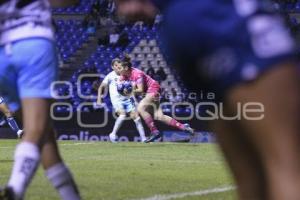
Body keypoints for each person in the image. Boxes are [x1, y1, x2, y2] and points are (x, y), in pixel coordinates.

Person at [116, 0, 300, 199]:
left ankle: (160, 131)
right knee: (287, 166)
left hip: (178, 24)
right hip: (220, 12)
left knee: (250, 176)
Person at [0, 0, 81, 200]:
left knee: (44, 137)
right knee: (36, 130)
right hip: (34, 42)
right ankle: (14, 189)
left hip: (2, 52)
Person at [118, 55, 194, 143]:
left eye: (120, 68)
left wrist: (129, 91)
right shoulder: (124, 75)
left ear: (126, 67)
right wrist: (122, 89)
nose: (119, 70)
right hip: (148, 92)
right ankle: (183, 126)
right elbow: (120, 85)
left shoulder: (137, 74)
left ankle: (154, 131)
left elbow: (140, 90)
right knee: (159, 116)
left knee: (140, 108)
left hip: (153, 88)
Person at [97, 58, 147, 142]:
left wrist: (135, 99)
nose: (117, 67)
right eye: (115, 65)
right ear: (112, 67)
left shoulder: (126, 75)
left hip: (127, 99)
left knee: (136, 118)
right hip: (117, 100)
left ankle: (143, 138)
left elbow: (131, 89)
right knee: (123, 115)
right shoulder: (110, 76)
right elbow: (101, 87)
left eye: (119, 65)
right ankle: (113, 134)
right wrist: (99, 98)